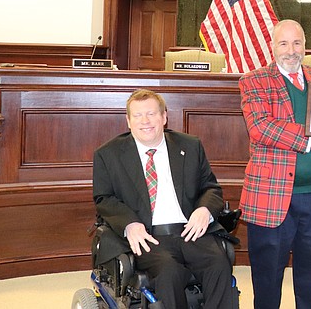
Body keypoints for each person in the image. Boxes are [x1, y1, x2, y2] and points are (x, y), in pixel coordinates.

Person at [239, 19, 311, 309]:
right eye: (283, 43)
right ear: (272, 47)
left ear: (305, 46)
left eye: (297, 43)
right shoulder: (254, 80)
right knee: (267, 282)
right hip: (271, 198)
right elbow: (260, 128)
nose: (291, 50)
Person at [93, 88, 234, 309]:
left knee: (219, 265)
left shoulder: (189, 145)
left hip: (190, 229)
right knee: (170, 272)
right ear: (128, 121)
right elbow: (104, 198)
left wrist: (204, 210)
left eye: (151, 114)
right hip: (149, 236)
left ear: (164, 117)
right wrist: (129, 223)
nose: (145, 121)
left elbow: (211, 188)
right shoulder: (108, 154)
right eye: (138, 116)